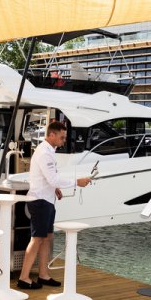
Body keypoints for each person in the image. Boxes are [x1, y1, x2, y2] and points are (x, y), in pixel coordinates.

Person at [17, 121, 92, 290]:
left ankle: (43, 275)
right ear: (51, 135)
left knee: (47, 238)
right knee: (37, 239)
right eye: (62, 137)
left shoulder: (49, 151)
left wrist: (56, 188)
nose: (64, 140)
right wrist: (76, 182)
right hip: (40, 201)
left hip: (47, 200)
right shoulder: (44, 153)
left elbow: (49, 179)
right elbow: (52, 178)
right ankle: (23, 278)